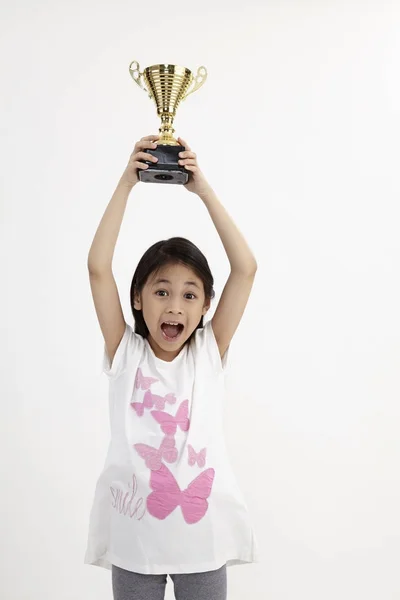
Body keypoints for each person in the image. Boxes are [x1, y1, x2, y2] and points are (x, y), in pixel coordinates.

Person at [84, 134, 259, 600]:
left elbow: (245, 268)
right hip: (135, 536)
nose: (175, 307)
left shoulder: (207, 351)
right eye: (161, 291)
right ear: (137, 299)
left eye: (189, 294)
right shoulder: (126, 351)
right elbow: (98, 267)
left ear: (205, 306)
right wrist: (127, 182)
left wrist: (202, 190)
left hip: (201, 539)